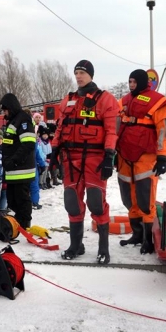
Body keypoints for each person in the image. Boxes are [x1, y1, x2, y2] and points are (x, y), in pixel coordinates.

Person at [51, 60, 118, 264]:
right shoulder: (68, 101)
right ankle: (76, 246)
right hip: (70, 158)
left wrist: (109, 156)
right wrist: (54, 151)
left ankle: (103, 248)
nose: (78, 76)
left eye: (82, 72)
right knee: (72, 201)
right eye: (76, 73)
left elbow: (111, 131)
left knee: (96, 203)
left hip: (95, 158)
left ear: (91, 74)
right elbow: (61, 128)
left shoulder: (105, 99)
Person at [116, 69, 166, 254]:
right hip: (124, 155)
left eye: (133, 82)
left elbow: (163, 130)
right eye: (129, 81)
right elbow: (113, 124)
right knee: (129, 198)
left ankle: (149, 239)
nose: (131, 85)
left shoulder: (157, 101)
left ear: (141, 82)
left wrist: (163, 156)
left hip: (145, 157)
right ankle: (137, 234)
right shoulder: (123, 101)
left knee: (145, 198)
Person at [0, 93, 36, 229]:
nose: (4, 112)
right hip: (12, 170)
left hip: (21, 169)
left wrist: (13, 161)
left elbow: (28, 144)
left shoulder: (23, 120)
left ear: (11, 107)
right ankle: (19, 221)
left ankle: (25, 223)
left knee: (21, 199)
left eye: (5, 110)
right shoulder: (13, 121)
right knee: (12, 200)